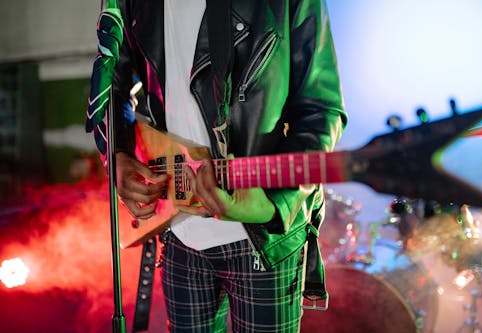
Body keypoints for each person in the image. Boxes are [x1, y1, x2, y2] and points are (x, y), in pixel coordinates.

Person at [94, 0, 347, 331]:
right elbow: (114, 82)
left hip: (262, 238)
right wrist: (119, 155)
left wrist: (274, 204)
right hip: (179, 231)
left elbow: (321, 109)